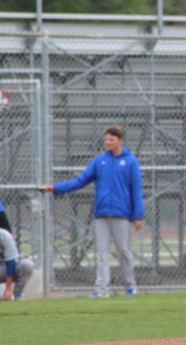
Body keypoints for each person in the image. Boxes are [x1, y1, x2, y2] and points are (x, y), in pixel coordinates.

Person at [41, 125, 143, 298]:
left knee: (123, 251)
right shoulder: (100, 161)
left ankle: (130, 285)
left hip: (121, 213)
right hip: (102, 213)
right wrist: (56, 188)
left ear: (120, 140)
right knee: (102, 253)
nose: (108, 142)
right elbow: (80, 180)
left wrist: (138, 215)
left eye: (112, 139)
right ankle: (102, 288)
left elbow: (136, 190)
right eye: (106, 139)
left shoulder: (130, 161)